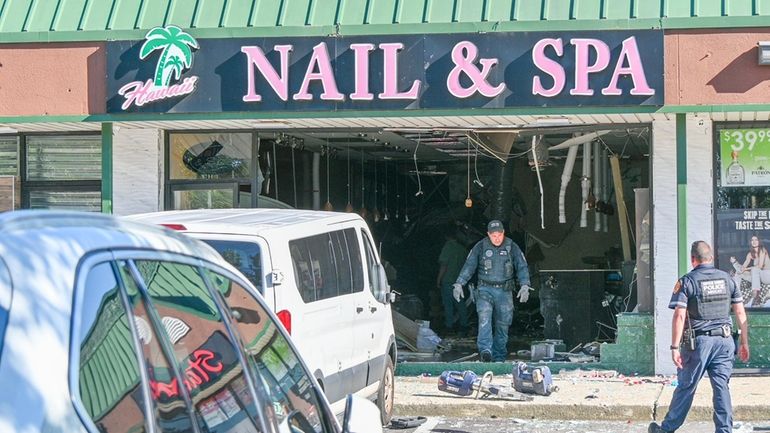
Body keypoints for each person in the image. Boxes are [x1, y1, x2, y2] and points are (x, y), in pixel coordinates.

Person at [649, 241, 750, 433]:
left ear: (693, 259)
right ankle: (724, 430)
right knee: (721, 387)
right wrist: (744, 342)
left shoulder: (688, 281)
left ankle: (666, 429)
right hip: (725, 341)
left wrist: (674, 347)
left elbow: (679, 316)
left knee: (687, 386)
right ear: (711, 258)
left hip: (699, 344)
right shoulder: (727, 279)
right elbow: (740, 313)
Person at [452, 220, 531, 362]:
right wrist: (459, 283)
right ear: (488, 234)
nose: (497, 238)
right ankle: (485, 351)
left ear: (503, 233)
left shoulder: (511, 246)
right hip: (484, 289)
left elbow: (522, 266)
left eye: (499, 235)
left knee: (503, 324)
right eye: (493, 235)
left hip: (505, 291)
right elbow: (469, 266)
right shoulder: (480, 246)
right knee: (484, 318)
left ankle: (499, 355)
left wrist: (525, 285)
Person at [436, 227, 469, 336]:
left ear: (446, 236)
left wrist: (439, 279)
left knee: (448, 304)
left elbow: (444, 265)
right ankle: (464, 326)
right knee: (460, 304)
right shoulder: (462, 249)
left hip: (448, 280)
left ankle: (449, 326)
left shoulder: (448, 247)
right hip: (460, 281)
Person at [729, 235, 770, 306]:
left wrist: (746, 269)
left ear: (759, 241)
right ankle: (736, 294)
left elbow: (759, 266)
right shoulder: (750, 254)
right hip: (758, 277)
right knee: (739, 273)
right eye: (752, 240)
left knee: (754, 269)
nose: (754, 242)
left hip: (767, 275)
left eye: (756, 240)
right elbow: (742, 269)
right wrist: (734, 263)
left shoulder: (762, 250)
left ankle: (756, 296)